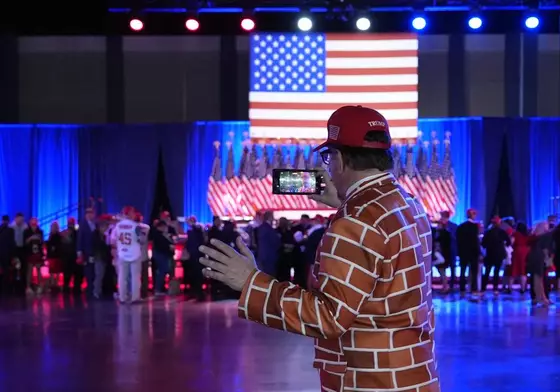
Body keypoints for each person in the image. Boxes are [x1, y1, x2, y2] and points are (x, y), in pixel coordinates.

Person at [199, 105, 440, 392]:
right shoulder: (410, 205)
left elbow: (329, 317)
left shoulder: (355, 223)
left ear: (339, 159)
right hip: (414, 374)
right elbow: (384, 246)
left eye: (329, 157)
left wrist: (250, 283)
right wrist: (345, 204)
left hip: (370, 382)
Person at [111, 207, 144, 304]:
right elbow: (141, 239)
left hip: (122, 253)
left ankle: (122, 297)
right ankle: (135, 297)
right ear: (130, 213)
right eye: (133, 212)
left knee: (122, 276)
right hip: (134, 253)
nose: (135, 214)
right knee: (135, 277)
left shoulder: (117, 226)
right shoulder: (136, 226)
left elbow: (113, 240)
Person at [481, 216, 511, 295]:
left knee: (487, 272)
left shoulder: (488, 232)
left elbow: (483, 244)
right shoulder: (502, 232)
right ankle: (495, 289)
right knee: (496, 272)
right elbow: (508, 242)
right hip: (499, 255)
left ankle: (483, 288)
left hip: (490, 254)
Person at [527, 222, 552, 306]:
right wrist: (548, 259)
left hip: (532, 256)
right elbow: (546, 249)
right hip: (540, 256)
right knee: (540, 279)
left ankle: (538, 297)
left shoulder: (534, 236)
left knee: (535, 278)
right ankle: (543, 298)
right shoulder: (546, 236)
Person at [510, 221, 530, 293]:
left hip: (517, 251)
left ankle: (509, 287)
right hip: (526, 252)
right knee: (523, 271)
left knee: (514, 270)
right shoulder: (527, 234)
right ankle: (523, 288)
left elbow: (511, 242)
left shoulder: (515, 234)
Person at [46, 221, 64, 291]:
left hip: (57, 255)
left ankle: (56, 283)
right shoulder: (50, 236)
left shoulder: (58, 236)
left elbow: (59, 245)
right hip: (52, 256)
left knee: (57, 270)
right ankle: (53, 283)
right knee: (52, 271)